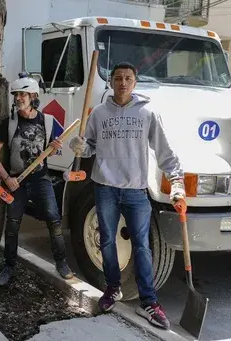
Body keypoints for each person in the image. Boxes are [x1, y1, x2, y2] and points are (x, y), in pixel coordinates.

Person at [68, 62, 185, 329]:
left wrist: (177, 181)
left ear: (135, 83)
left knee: (142, 246)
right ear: (111, 82)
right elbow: (90, 149)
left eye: (128, 78)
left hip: (135, 190)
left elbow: (165, 151)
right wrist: (80, 147)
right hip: (105, 188)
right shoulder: (98, 113)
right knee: (107, 241)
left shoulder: (147, 113)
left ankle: (148, 302)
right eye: (118, 78)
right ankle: (113, 288)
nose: (123, 82)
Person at [0, 74, 73, 286]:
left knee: (54, 220)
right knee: (13, 225)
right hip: (16, 181)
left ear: (33, 96)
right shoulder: (8, 124)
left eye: (22, 94)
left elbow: (50, 152)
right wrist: (7, 179)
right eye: (16, 95)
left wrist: (53, 150)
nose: (18, 98)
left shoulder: (48, 121)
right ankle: (9, 266)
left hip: (40, 179)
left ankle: (61, 262)